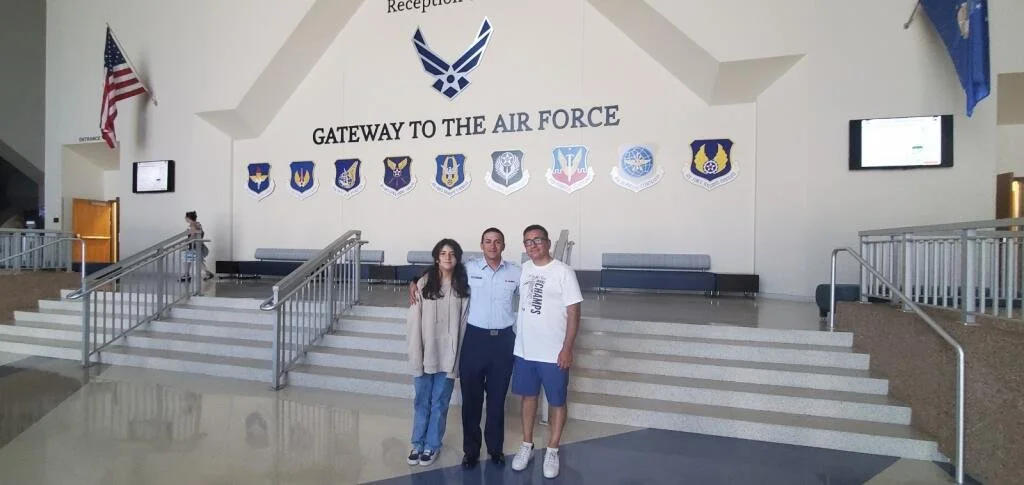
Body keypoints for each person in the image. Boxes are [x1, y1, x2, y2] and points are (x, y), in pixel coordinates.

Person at [409, 228, 521, 469]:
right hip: (474, 339)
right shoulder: (469, 270)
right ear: (481, 245)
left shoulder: (516, 272)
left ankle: (495, 449)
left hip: (503, 342)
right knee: (471, 399)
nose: (492, 246)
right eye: (488, 242)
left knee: (497, 398)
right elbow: (441, 271)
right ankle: (471, 451)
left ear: (504, 245)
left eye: (497, 242)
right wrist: (413, 282)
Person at [509, 224, 583, 479]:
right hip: (526, 351)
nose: (533, 245)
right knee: (528, 398)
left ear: (548, 242)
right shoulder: (525, 269)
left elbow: (574, 313)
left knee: (557, 401)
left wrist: (567, 348)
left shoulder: (564, 272)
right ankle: (527, 444)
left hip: (553, 353)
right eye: (528, 242)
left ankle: (552, 449)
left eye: (537, 240)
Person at [406, 238, 471, 467]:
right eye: (443, 253)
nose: (447, 257)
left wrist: (457, 359)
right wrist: (416, 355)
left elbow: (463, 325)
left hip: (448, 357)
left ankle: (432, 445)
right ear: (436, 257)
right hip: (425, 355)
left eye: (452, 253)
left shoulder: (463, 286)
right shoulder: (423, 284)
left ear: (457, 258)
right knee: (422, 400)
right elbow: (414, 324)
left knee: (440, 402)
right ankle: (417, 443)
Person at [182, 211, 214, 281]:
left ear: (188, 218)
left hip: (194, 246)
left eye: (185, 217)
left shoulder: (192, 225)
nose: (185, 218)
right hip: (197, 246)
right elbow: (199, 233)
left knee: (196, 261)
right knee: (189, 260)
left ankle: (207, 273)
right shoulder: (198, 224)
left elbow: (193, 236)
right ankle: (186, 275)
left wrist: (186, 242)